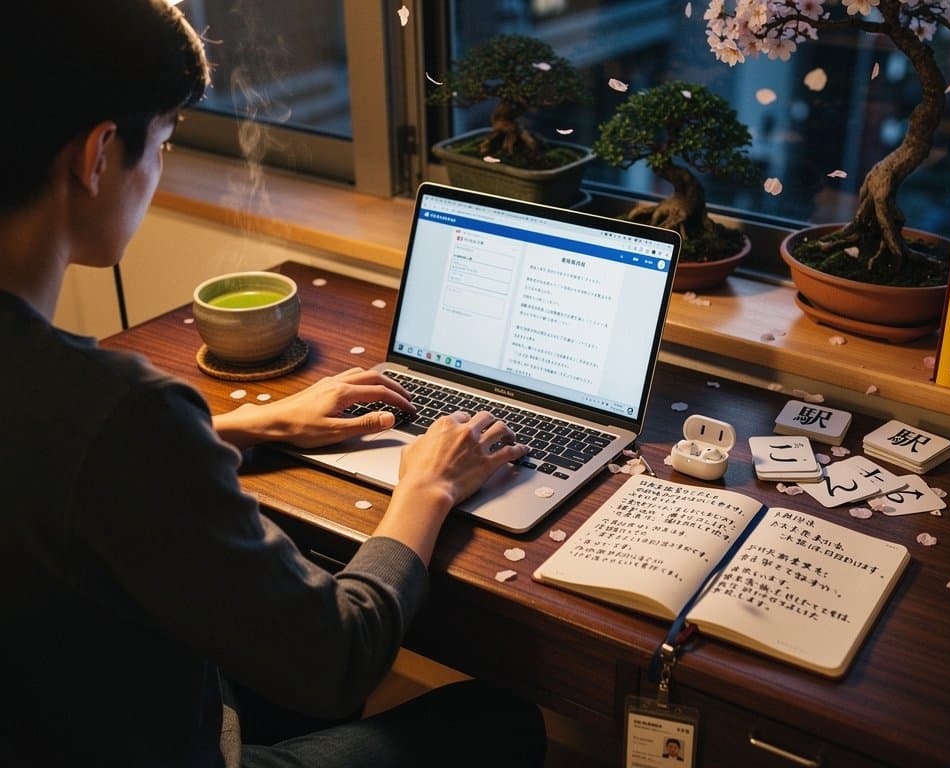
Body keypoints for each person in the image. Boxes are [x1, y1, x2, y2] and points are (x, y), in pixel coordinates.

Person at [0, 2, 545, 767]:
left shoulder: (78, 407)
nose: (159, 169)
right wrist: (427, 490)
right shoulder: (121, 410)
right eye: (162, 140)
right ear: (96, 157)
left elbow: (51, 465)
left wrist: (251, 426)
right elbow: (338, 659)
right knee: (501, 719)